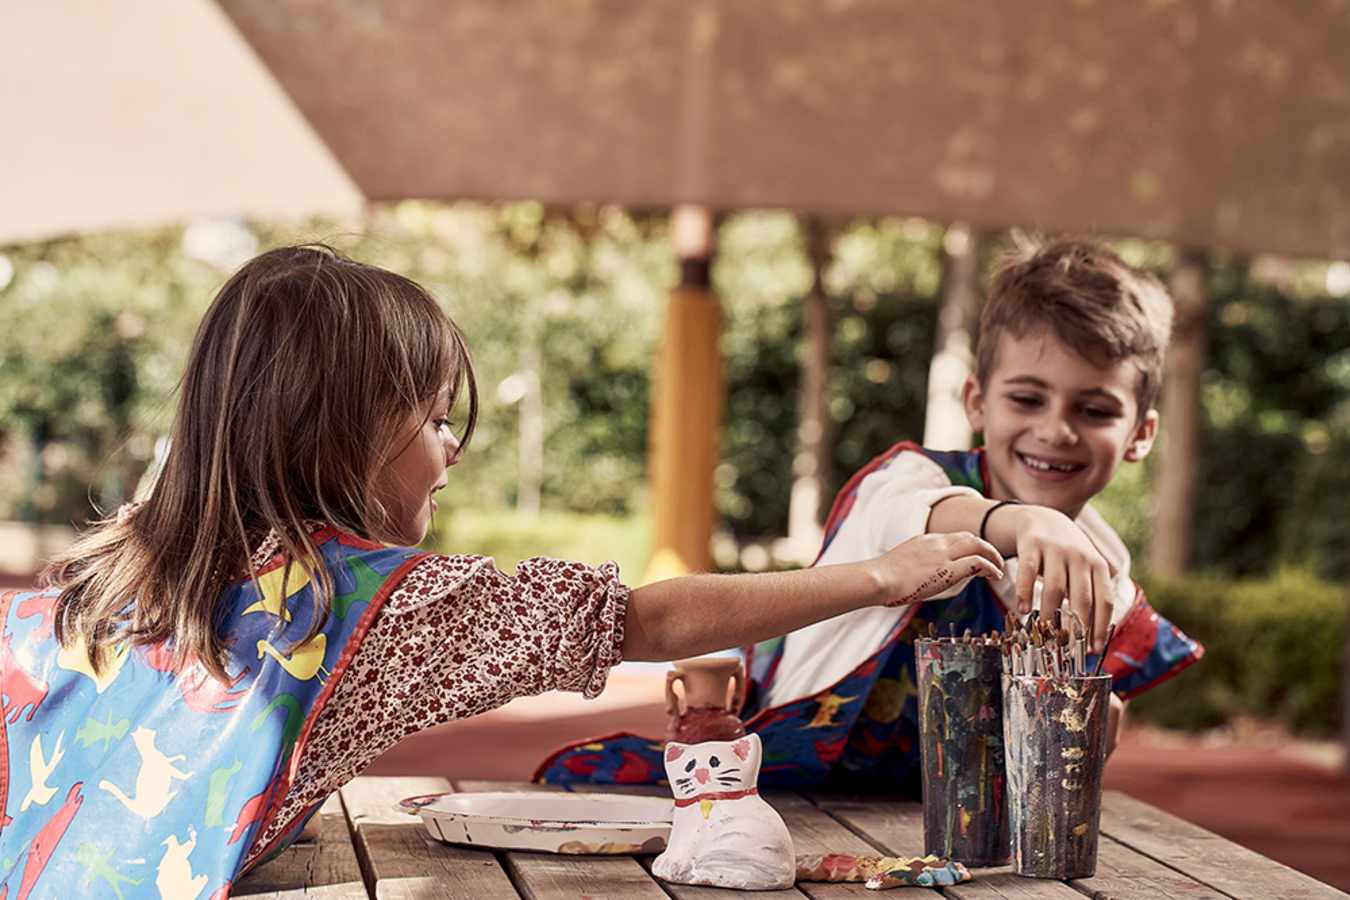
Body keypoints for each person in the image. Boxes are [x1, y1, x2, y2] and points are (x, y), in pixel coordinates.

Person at [0, 244, 1004, 898]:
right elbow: (645, 622)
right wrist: (882, 574)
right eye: (436, 418)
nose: (454, 446)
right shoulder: (378, 607)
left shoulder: (120, 561)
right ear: (341, 433)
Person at [536, 237, 1203, 790]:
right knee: (576, 784)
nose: (1056, 430)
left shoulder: (1104, 575)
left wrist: (1087, 731)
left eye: (1094, 410)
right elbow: (925, 515)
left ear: (1141, 434)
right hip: (776, 771)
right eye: (1027, 399)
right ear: (977, 401)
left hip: (936, 822)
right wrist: (1025, 522)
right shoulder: (912, 479)